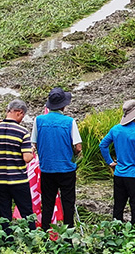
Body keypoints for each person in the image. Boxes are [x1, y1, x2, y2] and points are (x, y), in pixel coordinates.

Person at [32, 87, 82, 229]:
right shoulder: (69, 122)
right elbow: (78, 147)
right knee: (68, 203)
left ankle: (46, 234)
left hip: (47, 169)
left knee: (47, 203)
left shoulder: (38, 120)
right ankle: (68, 236)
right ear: (64, 105)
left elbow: (33, 143)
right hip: (66, 169)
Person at [99, 100, 135, 223]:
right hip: (134, 176)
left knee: (118, 207)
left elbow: (103, 145)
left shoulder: (116, 129)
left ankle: (116, 234)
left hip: (119, 175)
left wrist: (110, 162)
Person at [0, 100, 35, 233]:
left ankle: (7, 240)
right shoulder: (22, 132)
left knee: (4, 215)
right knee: (27, 213)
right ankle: (33, 238)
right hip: (19, 180)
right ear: (20, 112)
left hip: (0, 180)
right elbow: (27, 158)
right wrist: (31, 150)